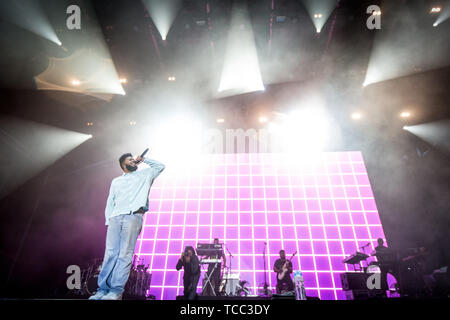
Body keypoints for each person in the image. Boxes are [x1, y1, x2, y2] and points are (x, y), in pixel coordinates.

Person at [88, 152, 165, 300]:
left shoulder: (144, 174)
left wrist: (144, 159)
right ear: (123, 164)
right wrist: (108, 219)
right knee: (110, 254)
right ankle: (102, 290)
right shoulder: (116, 181)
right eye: (130, 160)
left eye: (134, 159)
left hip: (133, 216)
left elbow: (161, 166)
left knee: (125, 255)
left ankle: (116, 291)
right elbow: (111, 201)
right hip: (115, 217)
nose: (133, 161)